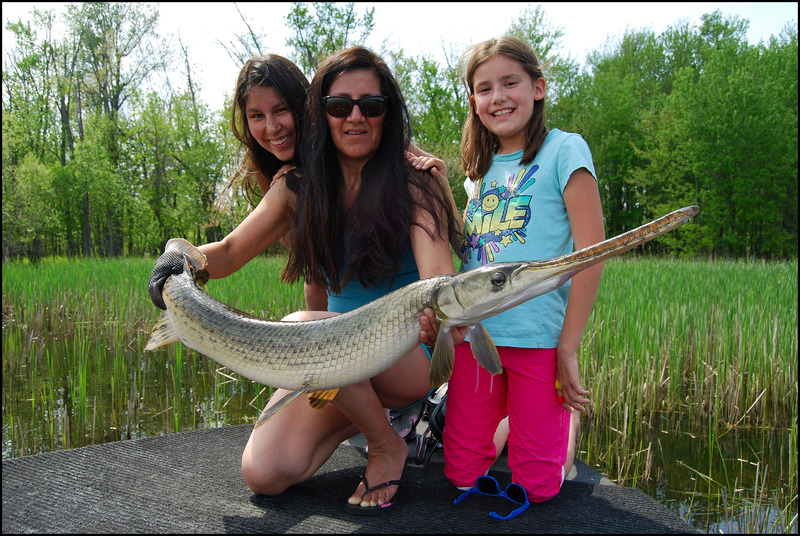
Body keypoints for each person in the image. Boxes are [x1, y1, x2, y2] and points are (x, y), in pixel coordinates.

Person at [148, 48, 463, 514]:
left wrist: (441, 314)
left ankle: (385, 442)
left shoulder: (415, 182)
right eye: (339, 106)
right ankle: (373, 417)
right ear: (322, 112)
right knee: (265, 473)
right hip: (330, 359)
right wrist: (177, 256)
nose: (355, 117)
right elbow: (230, 251)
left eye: (371, 106)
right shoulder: (295, 188)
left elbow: (439, 275)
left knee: (302, 326)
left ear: (387, 113)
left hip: (404, 355)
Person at [441, 36, 605, 504]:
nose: (498, 97)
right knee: (461, 477)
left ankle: (560, 426)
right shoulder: (477, 172)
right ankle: (523, 419)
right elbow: (472, 252)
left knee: (539, 488)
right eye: (485, 88)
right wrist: (438, 183)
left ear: (538, 87)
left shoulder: (565, 151)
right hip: (477, 338)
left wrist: (567, 349)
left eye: (510, 82)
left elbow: (591, 254)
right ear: (474, 102)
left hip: (537, 340)